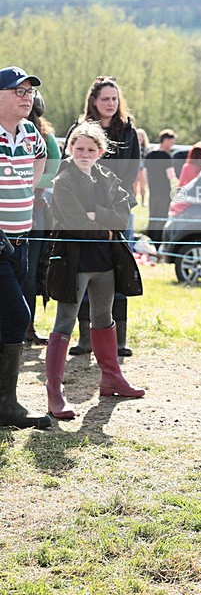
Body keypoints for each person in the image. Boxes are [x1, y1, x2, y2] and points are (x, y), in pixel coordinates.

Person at [45, 122, 144, 419]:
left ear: (100, 152)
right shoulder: (62, 180)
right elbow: (75, 222)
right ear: (70, 148)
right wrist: (106, 225)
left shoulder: (107, 176)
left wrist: (97, 215)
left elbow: (123, 213)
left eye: (90, 149)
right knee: (65, 321)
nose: (84, 154)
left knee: (104, 318)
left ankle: (111, 378)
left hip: (104, 263)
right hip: (73, 261)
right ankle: (54, 391)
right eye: (79, 148)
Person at [65, 76, 140, 357]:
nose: (110, 103)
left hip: (119, 209)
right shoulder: (81, 130)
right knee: (84, 269)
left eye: (114, 99)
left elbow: (131, 169)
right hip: (84, 211)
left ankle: (118, 340)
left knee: (119, 268)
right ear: (94, 102)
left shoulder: (128, 130)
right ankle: (85, 339)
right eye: (105, 99)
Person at [0, 66, 51, 430]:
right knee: (17, 317)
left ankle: (6, 406)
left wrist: (27, 189)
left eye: (29, 91)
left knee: (14, 318)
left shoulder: (31, 132)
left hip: (23, 240)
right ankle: (8, 407)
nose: (26, 96)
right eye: (18, 90)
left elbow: (40, 158)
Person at [22, 91, 61, 346]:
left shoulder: (44, 138)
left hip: (34, 209)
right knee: (30, 269)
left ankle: (26, 327)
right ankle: (26, 327)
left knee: (29, 269)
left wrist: (23, 185)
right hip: (32, 209)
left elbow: (53, 169)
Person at [144, 129, 176, 251]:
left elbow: (145, 174)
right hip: (164, 192)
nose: (172, 145)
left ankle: (148, 243)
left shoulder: (149, 155)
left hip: (153, 191)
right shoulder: (166, 156)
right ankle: (158, 245)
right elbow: (170, 175)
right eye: (171, 142)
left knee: (152, 217)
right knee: (162, 218)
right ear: (166, 140)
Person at [133, 128, 150, 207]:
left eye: (141, 136)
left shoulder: (146, 149)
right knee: (134, 186)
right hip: (135, 169)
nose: (139, 138)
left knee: (143, 186)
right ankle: (134, 200)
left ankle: (143, 201)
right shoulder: (133, 148)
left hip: (142, 169)